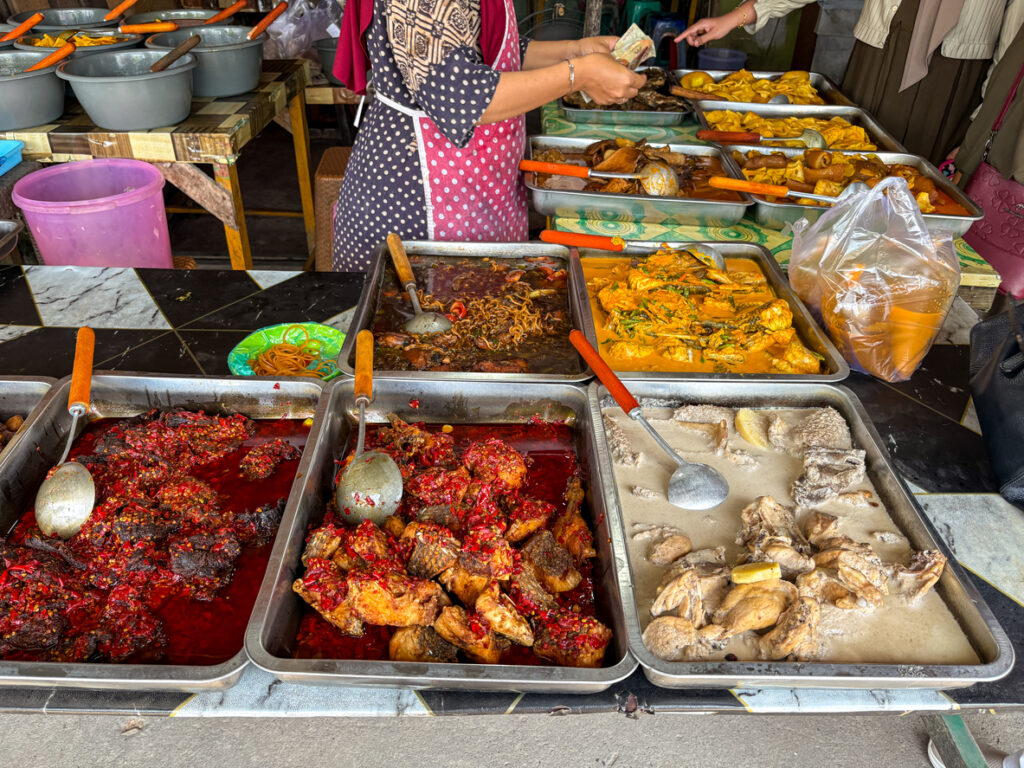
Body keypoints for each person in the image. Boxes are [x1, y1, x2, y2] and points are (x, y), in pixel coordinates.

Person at [329, 0, 645, 271]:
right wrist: (579, 73)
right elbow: (458, 94)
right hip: (416, 203)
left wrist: (575, 51)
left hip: (469, 191)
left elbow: (495, 53)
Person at [677, 0, 1024, 165]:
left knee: (912, 187)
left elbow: (1013, 53)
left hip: (953, 80)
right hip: (875, 59)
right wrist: (740, 16)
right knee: (844, 160)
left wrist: (978, 131)